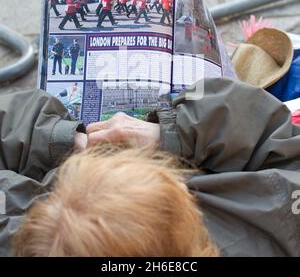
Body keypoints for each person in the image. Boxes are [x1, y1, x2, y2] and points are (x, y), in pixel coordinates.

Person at [1, 78, 300, 257]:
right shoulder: (262, 232)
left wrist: (63, 140)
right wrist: (171, 134)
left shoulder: (22, 234)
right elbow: (287, 156)